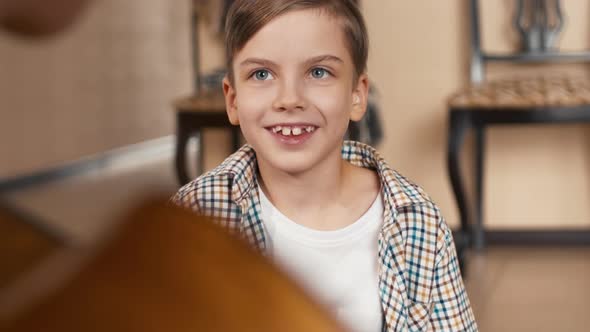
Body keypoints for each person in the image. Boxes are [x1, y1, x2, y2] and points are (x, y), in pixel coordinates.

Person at [172, 0, 477, 331]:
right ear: (233, 100)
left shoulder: (417, 220)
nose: (289, 99)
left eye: (318, 72)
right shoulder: (195, 218)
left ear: (357, 95)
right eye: (261, 74)